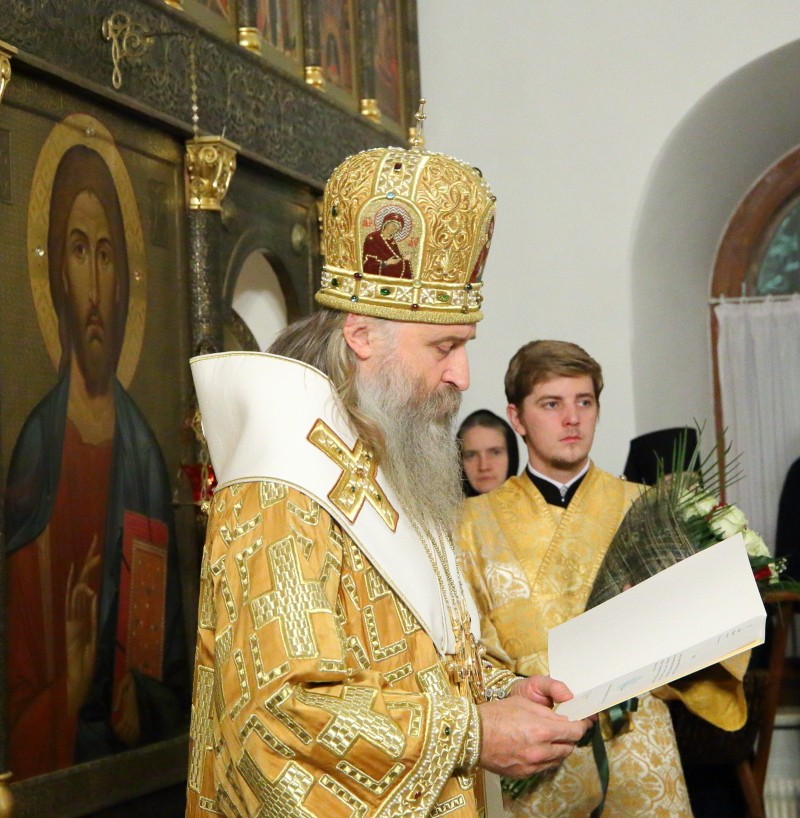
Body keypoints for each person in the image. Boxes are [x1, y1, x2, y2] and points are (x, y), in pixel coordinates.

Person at [185, 139, 591, 818]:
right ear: (362, 337)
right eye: (444, 347)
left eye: (464, 345)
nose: (462, 375)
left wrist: (501, 693)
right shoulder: (280, 485)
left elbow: (421, 653)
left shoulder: (388, 456)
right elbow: (281, 712)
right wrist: (475, 732)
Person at [457, 339, 748, 817]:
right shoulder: (470, 522)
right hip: (533, 741)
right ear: (517, 418)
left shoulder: (646, 506)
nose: (572, 418)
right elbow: (464, 642)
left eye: (584, 402)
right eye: (552, 404)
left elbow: (707, 637)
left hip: (638, 738)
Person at [5, 142, 187, 780]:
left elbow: (173, 667)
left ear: (123, 281)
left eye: (106, 255)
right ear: (57, 273)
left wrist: (144, 708)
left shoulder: (145, 456)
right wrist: (72, 686)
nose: (93, 282)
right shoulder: (36, 452)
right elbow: (16, 682)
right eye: (78, 250)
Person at [457, 409, 519, 496]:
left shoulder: (535, 502)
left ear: (511, 456)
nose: (483, 467)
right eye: (471, 455)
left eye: (495, 453)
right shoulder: (442, 504)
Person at [361, 209, 412, 278]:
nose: (394, 229)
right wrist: (386, 263)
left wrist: (402, 258)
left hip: (389, 272)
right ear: (386, 223)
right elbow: (368, 264)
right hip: (377, 273)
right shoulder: (373, 238)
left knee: (405, 262)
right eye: (393, 225)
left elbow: (394, 258)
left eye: (397, 229)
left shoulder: (392, 242)